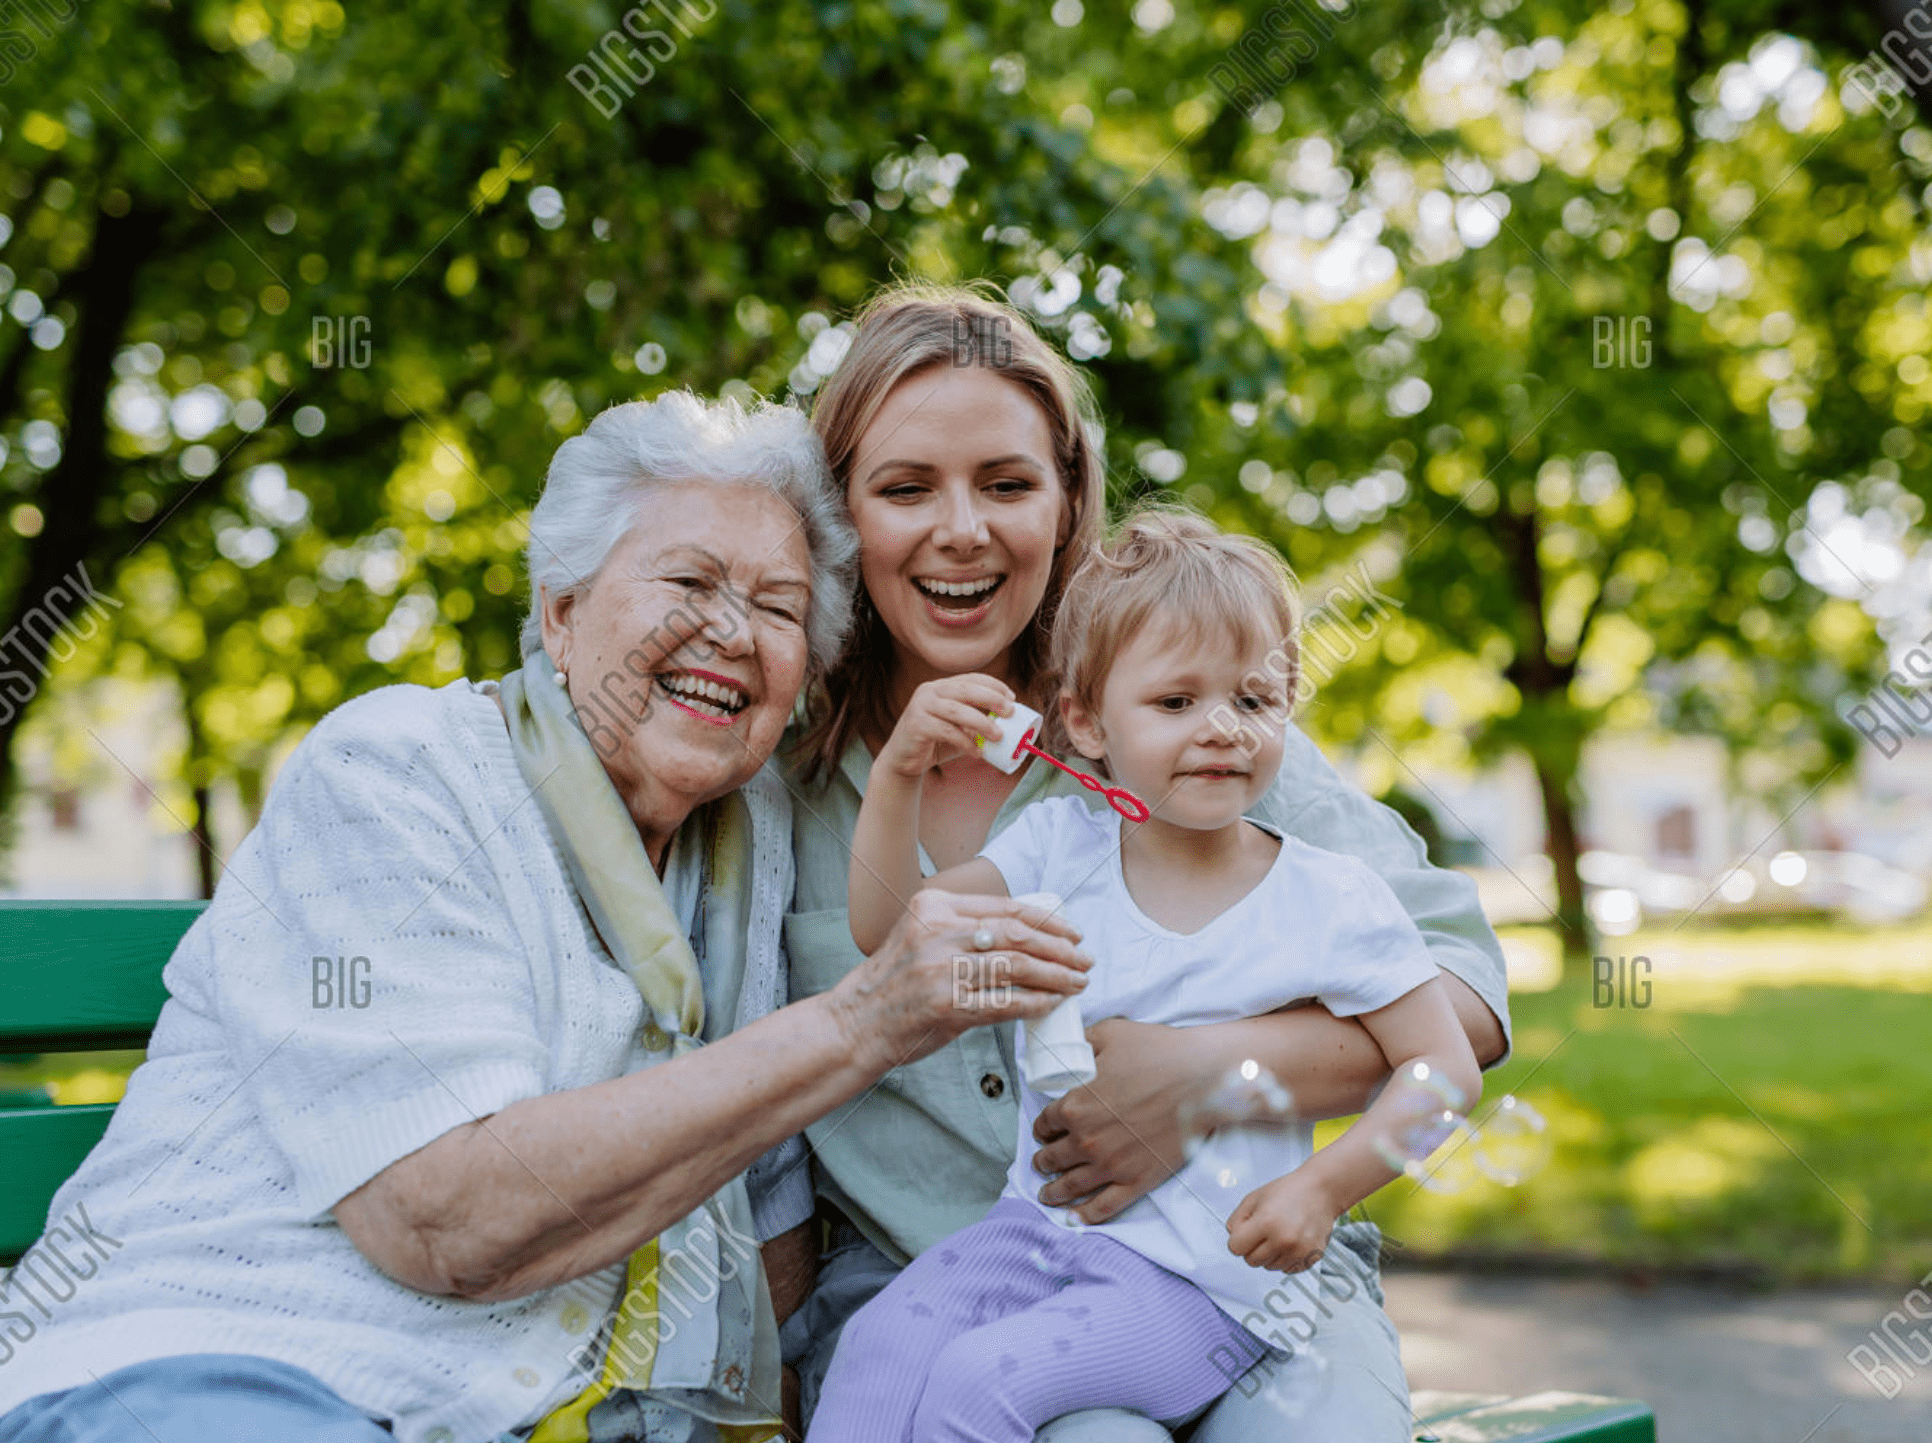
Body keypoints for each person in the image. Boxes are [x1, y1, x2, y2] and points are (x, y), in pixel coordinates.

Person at [0, 391, 1094, 1443]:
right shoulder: (402, 773)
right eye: (689, 580)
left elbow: (765, 1207)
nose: (731, 630)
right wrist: (863, 1021)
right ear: (561, 613)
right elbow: (443, 1218)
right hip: (231, 1378)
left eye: (778, 608)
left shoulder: (750, 840)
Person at [776, 284, 1513, 1441]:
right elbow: (886, 944)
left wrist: (1211, 1082)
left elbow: (1462, 1005)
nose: (962, 530)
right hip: (961, 1270)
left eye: (1008, 484)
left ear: (1069, 501)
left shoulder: (1211, 734)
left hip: (1237, 1270)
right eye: (906, 488)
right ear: (839, 514)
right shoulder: (780, 778)